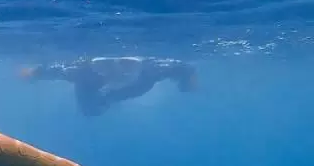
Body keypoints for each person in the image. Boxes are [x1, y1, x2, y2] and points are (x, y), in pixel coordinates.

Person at [19, 56, 198, 117]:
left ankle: (109, 100)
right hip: (91, 84)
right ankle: (105, 101)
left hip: (126, 89)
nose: (116, 70)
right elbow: (54, 71)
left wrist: (188, 82)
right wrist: (34, 72)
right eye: (106, 66)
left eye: (125, 65)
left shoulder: (151, 71)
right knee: (90, 112)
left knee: (104, 102)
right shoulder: (84, 73)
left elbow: (185, 68)